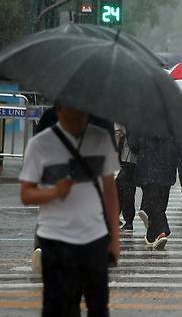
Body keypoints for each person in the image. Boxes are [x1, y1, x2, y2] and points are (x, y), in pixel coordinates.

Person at [19, 104, 120, 316]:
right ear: (59, 111)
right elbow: (26, 194)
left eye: (82, 115)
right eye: (71, 115)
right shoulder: (40, 144)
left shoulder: (100, 137)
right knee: (60, 308)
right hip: (55, 241)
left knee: (99, 307)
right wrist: (54, 193)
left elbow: (110, 192)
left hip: (94, 237)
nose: (77, 120)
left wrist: (115, 240)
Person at [130, 134, 182, 250]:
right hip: (167, 165)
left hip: (148, 165)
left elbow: (134, 145)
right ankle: (151, 236)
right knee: (160, 202)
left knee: (153, 201)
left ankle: (161, 231)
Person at [115, 125, 138, 232]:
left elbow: (135, 147)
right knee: (119, 189)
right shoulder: (125, 135)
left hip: (132, 165)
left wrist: (128, 134)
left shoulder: (134, 132)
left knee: (128, 192)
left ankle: (128, 221)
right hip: (125, 164)